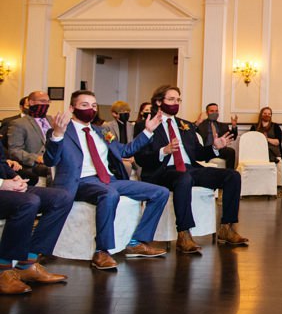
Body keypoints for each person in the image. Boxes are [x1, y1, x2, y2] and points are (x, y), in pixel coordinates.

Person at [44, 90, 169, 270]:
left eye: (94, 105)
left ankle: (136, 242)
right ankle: (102, 251)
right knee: (109, 194)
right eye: (84, 105)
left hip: (107, 179)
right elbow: (50, 160)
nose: (90, 109)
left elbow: (124, 151)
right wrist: (57, 135)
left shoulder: (101, 131)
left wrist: (148, 131)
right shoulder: (61, 130)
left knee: (160, 192)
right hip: (79, 182)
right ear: (72, 108)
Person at [136, 85, 248, 254]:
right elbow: (141, 158)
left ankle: (227, 228)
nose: (176, 103)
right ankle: (184, 234)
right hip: (162, 171)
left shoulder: (185, 125)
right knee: (183, 178)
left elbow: (198, 154)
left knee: (232, 176)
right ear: (159, 102)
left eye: (178, 99)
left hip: (189, 168)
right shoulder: (146, 125)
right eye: (171, 99)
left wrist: (215, 148)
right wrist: (163, 151)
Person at [0, 154, 72, 294]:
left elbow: (1, 162)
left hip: (5, 185)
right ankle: (3, 269)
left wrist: (15, 178)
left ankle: (27, 264)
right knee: (28, 201)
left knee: (61, 198)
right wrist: (2, 183)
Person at [8, 90, 54, 179]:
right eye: (42, 101)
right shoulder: (18, 123)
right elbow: (14, 151)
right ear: (31, 102)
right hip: (35, 165)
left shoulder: (52, 120)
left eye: (48, 102)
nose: (46, 104)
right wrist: (36, 158)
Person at [198, 103, 238, 168]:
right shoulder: (201, 124)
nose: (215, 113)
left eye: (216, 111)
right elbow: (192, 134)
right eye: (212, 111)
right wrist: (197, 124)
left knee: (230, 151)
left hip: (220, 150)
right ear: (207, 112)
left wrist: (234, 126)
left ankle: (229, 174)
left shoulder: (223, 126)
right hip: (206, 149)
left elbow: (233, 137)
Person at [250, 107, 282, 176]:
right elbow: (251, 140)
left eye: (269, 114)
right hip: (258, 149)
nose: (267, 115)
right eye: (265, 113)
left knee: (267, 149)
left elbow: (278, 142)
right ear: (261, 115)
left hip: (272, 149)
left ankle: (271, 158)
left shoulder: (275, 126)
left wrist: (266, 139)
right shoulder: (254, 127)